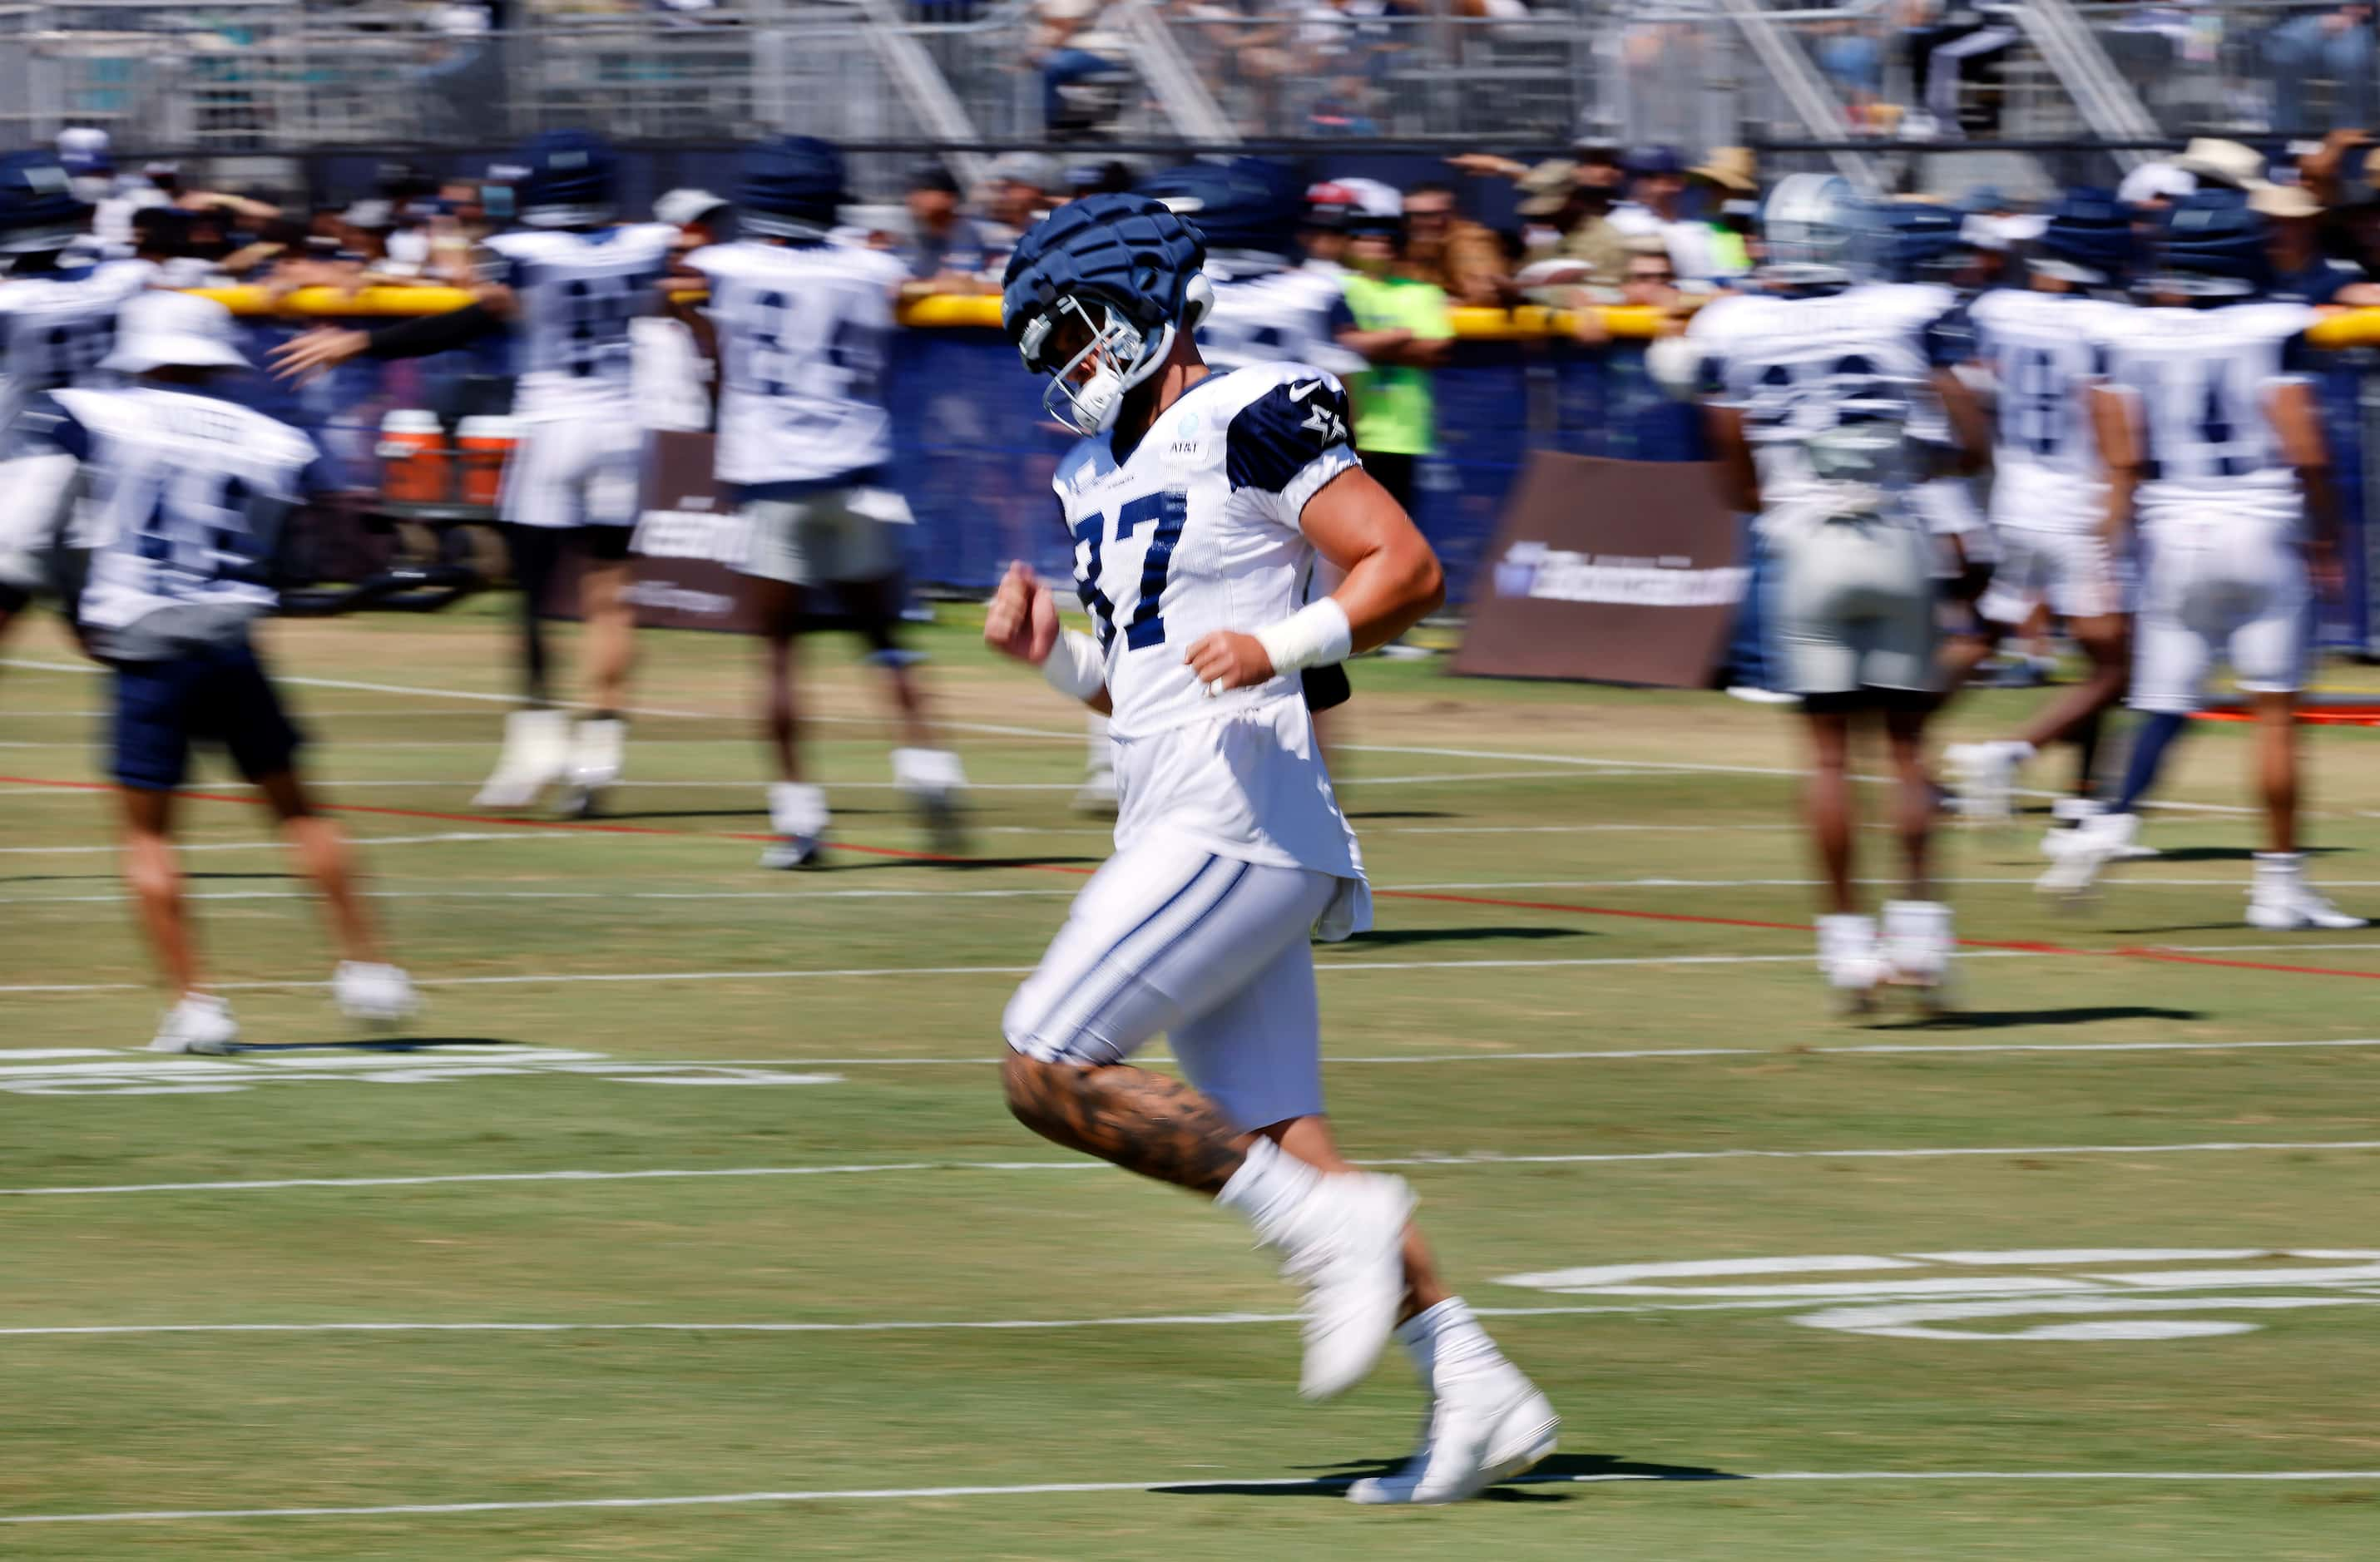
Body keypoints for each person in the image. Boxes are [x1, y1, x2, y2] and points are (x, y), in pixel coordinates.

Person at [984, 191, 1556, 1503]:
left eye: (1072, 331)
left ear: (1143, 305)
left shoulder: (1253, 407)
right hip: (1184, 799)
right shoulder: (1092, 475)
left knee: (1044, 1061)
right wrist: (1054, 657)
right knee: (1285, 1132)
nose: (1060, 366)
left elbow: (1404, 569)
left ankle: (1326, 1237)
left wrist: (1279, 646)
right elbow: (1146, 688)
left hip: (1234, 810)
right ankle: (1474, 1384)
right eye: (1039, 347)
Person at [18, 291, 417, 1051]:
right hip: (231, 636)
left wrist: (74, 606)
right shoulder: (274, 437)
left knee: (149, 837)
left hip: (144, 639)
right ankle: (368, 968)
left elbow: (43, 520)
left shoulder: (93, 413)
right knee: (299, 810)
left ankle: (196, 1005)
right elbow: (306, 543)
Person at [270, 131, 678, 818]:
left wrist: (360, 339)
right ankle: (599, 755)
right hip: (626, 427)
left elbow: (472, 317)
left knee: (533, 598)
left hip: (555, 423)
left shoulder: (525, 250)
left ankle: (536, 746)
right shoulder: (647, 243)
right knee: (613, 597)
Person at [2038, 195, 2365, 930]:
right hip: (2259, 526)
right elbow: (2304, 447)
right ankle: (2278, 889)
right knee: (2274, 714)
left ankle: (2103, 827)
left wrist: (2105, 546)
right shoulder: (2273, 325)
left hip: (2173, 532)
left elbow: (2122, 455)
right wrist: (2325, 531)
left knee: (2160, 702)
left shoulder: (2127, 331)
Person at [1685, 175, 1970, 1007]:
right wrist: (1919, 459)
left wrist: (1776, 495)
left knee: (1827, 757)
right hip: (1893, 531)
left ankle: (1847, 948)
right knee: (1908, 752)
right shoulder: (1906, 309)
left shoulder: (1729, 321)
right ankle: (1919, 937)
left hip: (1802, 541)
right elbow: (1970, 440)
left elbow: (1730, 466)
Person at [679, 137, 969, 866]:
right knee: (885, 639)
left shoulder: (720, 267)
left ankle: (800, 819)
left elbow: (670, 287)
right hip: (859, 471)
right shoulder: (874, 267)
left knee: (779, 656)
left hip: (771, 477)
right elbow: (928, 292)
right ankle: (927, 769)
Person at [1942, 190, 2141, 823]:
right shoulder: (2110, 323)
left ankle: (1900, 742)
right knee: (2114, 666)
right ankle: (2010, 755)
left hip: (2014, 499)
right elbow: (2118, 437)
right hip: (2076, 507)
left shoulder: (2000, 308)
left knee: (1984, 637)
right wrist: (2114, 524)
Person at [0, 151, 156, 659]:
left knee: (11, 588)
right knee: (103, 626)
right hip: (107, 471)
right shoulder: (122, 279)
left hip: (29, 469)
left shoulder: (10, 302)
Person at [1332, 192, 1452, 519]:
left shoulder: (1422, 292)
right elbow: (1332, 344)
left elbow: (1433, 350)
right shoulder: (1332, 287)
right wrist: (1398, 336)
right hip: (1338, 433)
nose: (1379, 244)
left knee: (1395, 530)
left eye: (1387, 238)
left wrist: (1363, 344)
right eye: (1367, 238)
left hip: (1400, 436)